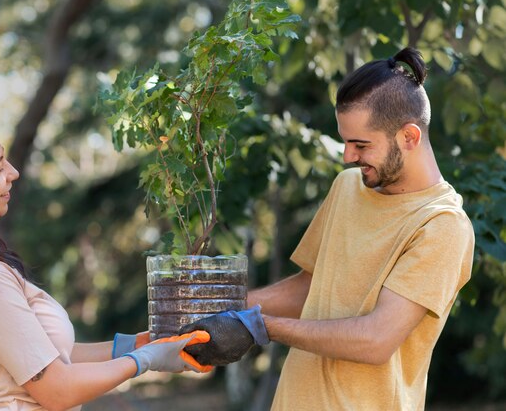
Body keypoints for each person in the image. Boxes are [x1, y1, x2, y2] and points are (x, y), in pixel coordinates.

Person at [181, 47, 475, 410]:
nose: (347, 156)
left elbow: (376, 340)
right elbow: (310, 287)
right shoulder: (347, 188)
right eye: (345, 141)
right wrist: (221, 308)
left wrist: (259, 327)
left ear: (409, 137)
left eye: (361, 144)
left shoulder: (442, 225)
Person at [0, 110, 211, 411]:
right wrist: (148, 360)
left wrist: (139, 343)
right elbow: (57, 391)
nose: (13, 173)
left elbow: (44, 355)